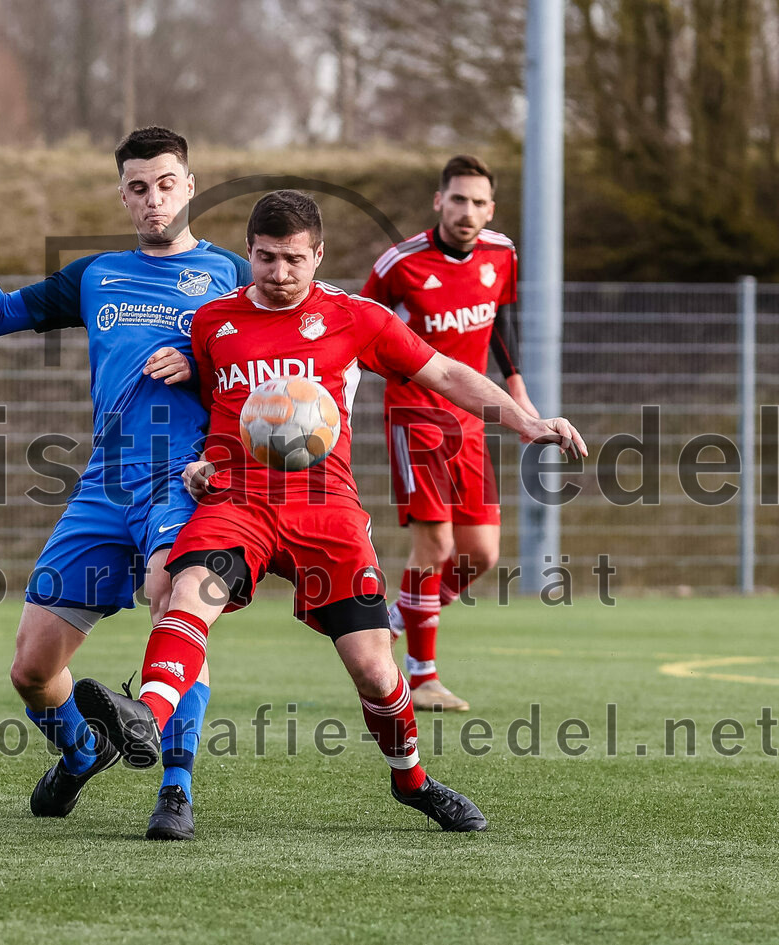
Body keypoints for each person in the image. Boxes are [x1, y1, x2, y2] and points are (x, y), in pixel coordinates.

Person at [74, 190, 586, 832]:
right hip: (238, 501)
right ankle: (145, 716)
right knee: (185, 595)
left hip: (327, 511)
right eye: (265, 260)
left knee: (375, 671)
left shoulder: (356, 318)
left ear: (319, 255)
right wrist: (198, 464)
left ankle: (414, 781)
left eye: (294, 260)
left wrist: (525, 421)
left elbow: (448, 375)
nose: (280, 275)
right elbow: (204, 412)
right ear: (250, 254)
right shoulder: (212, 324)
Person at [0, 126, 251, 841]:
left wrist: (201, 363)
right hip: (105, 482)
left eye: (166, 184)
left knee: (175, 603)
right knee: (32, 668)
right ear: (123, 194)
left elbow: (270, 364)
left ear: (189, 186)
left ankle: (176, 788)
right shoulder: (97, 275)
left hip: (186, 476)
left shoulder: (232, 275)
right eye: (137, 187)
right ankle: (81, 749)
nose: (153, 199)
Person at [361, 154, 540, 713]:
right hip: (415, 415)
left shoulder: (501, 253)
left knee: (481, 553)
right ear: (439, 201)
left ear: (491, 208)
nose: (469, 211)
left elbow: (503, 321)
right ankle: (421, 676)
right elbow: (363, 326)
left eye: (480, 202)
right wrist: (393, 375)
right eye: (458, 199)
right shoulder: (400, 263)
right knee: (435, 545)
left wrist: (517, 389)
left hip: (472, 418)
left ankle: (392, 623)